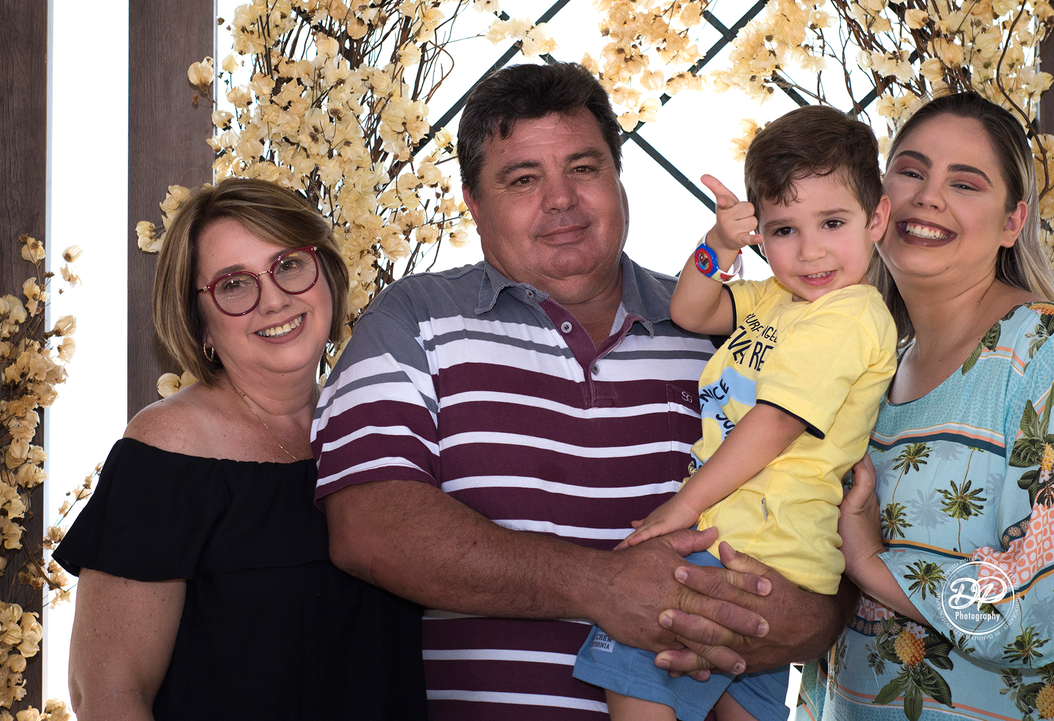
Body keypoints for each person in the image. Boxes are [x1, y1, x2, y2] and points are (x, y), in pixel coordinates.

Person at [311, 61, 856, 719]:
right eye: (522, 179)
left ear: (619, 180)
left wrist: (808, 612)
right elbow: (369, 526)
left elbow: (831, 517)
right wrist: (601, 585)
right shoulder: (413, 319)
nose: (561, 199)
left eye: (583, 168)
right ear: (474, 203)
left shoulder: (729, 330)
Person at [802, 92, 1054, 719]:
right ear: (878, 202)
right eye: (910, 170)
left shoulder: (1049, 353)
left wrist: (875, 565)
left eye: (965, 184)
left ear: (1013, 222)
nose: (928, 196)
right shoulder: (870, 369)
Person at [54, 179, 427, 720]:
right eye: (233, 285)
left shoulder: (379, 432)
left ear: (326, 273)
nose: (274, 299)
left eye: (290, 265)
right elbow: (109, 694)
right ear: (199, 321)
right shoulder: (167, 453)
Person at [572, 106, 898, 721]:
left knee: (633, 669)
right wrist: (719, 244)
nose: (809, 252)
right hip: (759, 544)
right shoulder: (779, 299)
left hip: (746, 539)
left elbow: (775, 424)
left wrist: (681, 508)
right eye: (782, 230)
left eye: (832, 222)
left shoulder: (848, 314)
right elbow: (694, 312)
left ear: (876, 217)